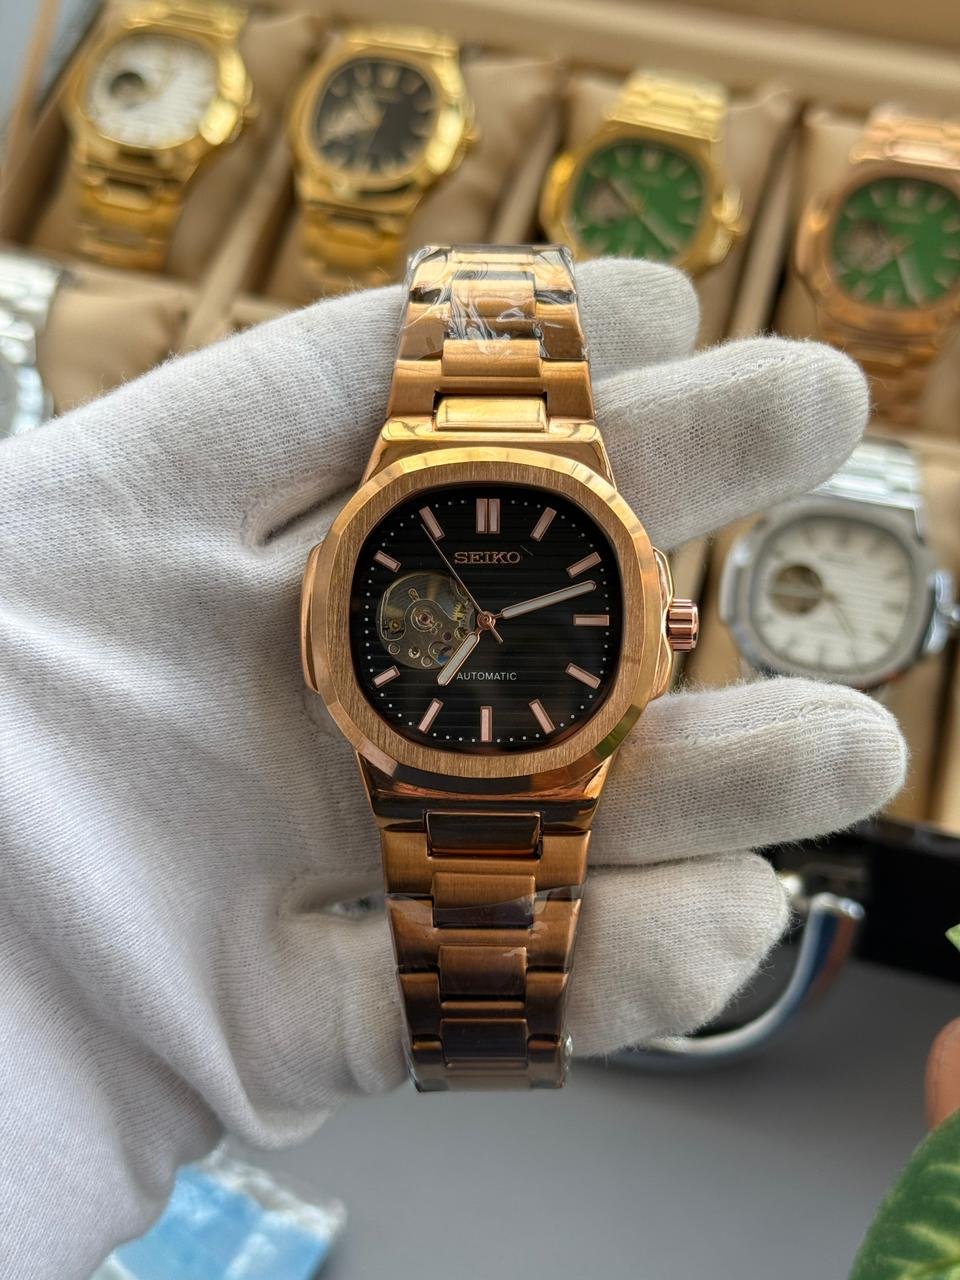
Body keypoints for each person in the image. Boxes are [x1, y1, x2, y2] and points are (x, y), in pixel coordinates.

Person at [0, 257, 906, 1278]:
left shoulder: (524, 603)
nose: (483, 625)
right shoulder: (374, 627)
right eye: (474, 618)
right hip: (420, 735)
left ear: (662, 626)